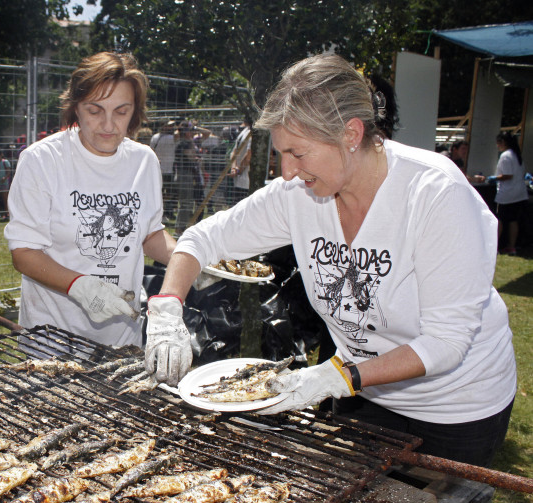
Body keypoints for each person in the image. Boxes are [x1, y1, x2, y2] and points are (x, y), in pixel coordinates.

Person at [144, 53, 516, 467]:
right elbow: (201, 238)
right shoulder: (298, 196)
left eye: (298, 153)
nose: (286, 171)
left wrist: (338, 376)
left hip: (455, 408)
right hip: (361, 393)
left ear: (351, 134)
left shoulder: (435, 194)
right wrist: (167, 308)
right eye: (282, 153)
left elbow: (446, 343)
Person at [3, 52, 177, 347]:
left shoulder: (143, 161)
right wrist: (79, 286)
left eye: (121, 112)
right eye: (95, 110)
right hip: (53, 336)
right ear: (76, 107)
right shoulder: (42, 160)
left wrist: (191, 258)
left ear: (135, 112)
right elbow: (24, 252)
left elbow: (149, 235)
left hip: (121, 337)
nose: (108, 125)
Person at [483, 132, 527, 256]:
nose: (497, 146)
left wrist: (493, 178)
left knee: (500, 219)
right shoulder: (516, 155)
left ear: (503, 142)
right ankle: (511, 247)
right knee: (513, 220)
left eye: (498, 143)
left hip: (508, 194)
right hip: (518, 193)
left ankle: (495, 246)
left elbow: (507, 175)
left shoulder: (506, 156)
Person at [228, 117, 252, 205]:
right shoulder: (245, 131)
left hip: (247, 181)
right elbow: (233, 152)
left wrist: (237, 170)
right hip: (240, 180)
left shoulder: (253, 133)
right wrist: (234, 168)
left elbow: (249, 155)